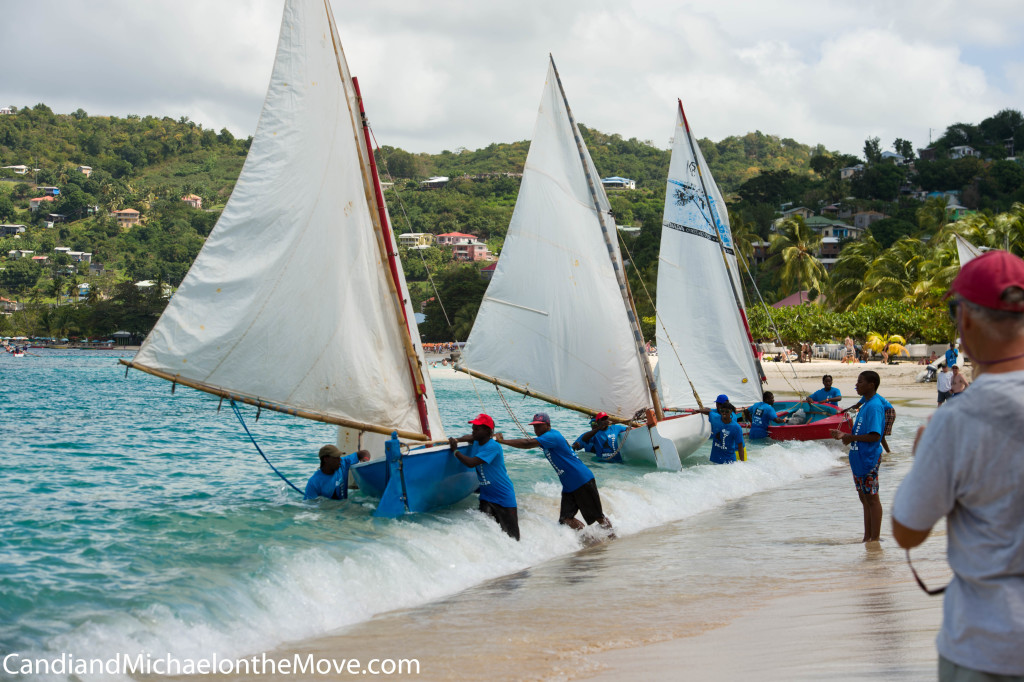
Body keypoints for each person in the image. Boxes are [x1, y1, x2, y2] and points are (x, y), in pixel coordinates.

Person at [892, 249, 1024, 680]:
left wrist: (923, 459)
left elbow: (908, 532)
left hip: (987, 644)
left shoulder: (957, 422)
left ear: (965, 318)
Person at [499, 413, 613, 532]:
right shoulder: (547, 438)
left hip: (581, 480)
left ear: (548, 425)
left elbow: (527, 443)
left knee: (598, 517)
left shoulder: (551, 436)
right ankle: (588, 537)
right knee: (565, 519)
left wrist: (503, 441)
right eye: (534, 426)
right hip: (569, 486)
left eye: (539, 426)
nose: (536, 429)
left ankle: (611, 536)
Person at [830, 370, 884, 542]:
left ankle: (874, 539)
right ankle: (867, 537)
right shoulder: (865, 405)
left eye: (860, 382)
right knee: (864, 498)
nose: (856, 385)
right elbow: (861, 431)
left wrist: (849, 437)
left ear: (871, 385)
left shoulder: (875, 406)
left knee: (872, 499)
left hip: (869, 458)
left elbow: (876, 436)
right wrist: (843, 435)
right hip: (858, 459)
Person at [450, 413, 519, 540]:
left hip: (503, 498)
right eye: (473, 428)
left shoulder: (493, 446)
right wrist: (457, 440)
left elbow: (471, 463)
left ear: (487, 430)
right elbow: (469, 437)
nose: (473, 431)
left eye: (477, 429)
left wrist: (455, 451)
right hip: (486, 497)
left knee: (512, 538)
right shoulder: (477, 441)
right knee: (486, 535)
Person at [304, 445, 370, 500]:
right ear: (326, 459)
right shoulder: (313, 482)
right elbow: (310, 506)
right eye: (336, 457)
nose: (340, 459)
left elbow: (364, 453)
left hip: (344, 506)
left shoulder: (343, 463)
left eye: (339, 457)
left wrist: (365, 461)